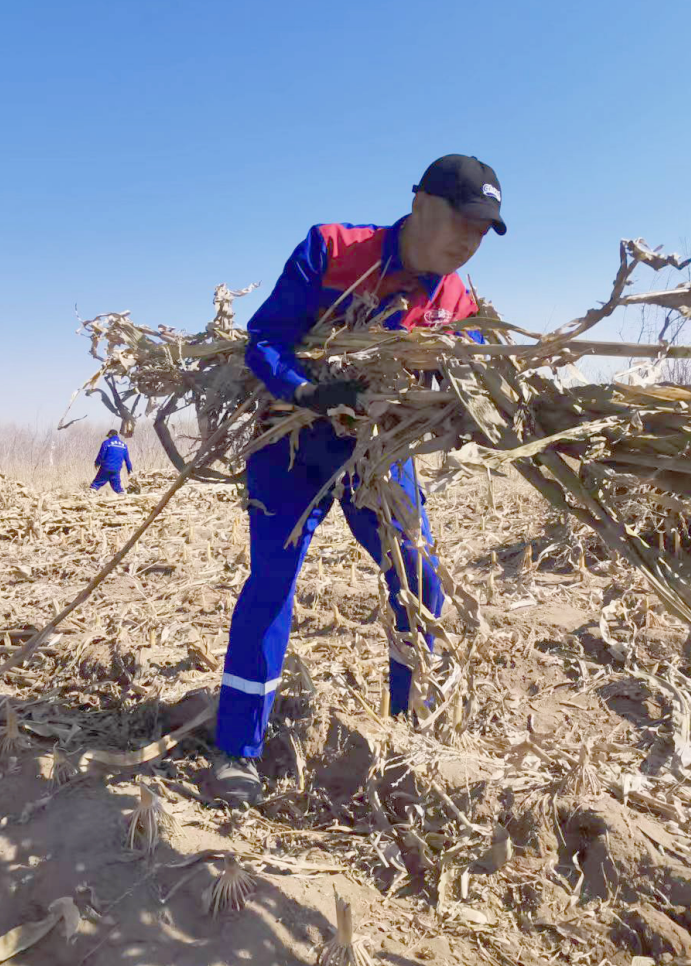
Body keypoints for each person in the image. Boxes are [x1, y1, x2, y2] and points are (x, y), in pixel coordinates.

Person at [213, 155, 507, 804]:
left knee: (418, 583)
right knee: (272, 582)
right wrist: (308, 389)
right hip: (290, 447)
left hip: (377, 458)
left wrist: (479, 401)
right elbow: (264, 339)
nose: (470, 242)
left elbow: (474, 381)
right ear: (422, 205)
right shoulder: (333, 248)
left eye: (483, 232)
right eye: (463, 223)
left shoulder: (456, 301)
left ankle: (408, 737)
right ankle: (237, 752)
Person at [90, 429, 132, 494]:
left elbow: (101, 455)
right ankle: (124, 498)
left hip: (105, 468)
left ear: (110, 435)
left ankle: (89, 496)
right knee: (117, 488)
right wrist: (130, 470)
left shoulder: (107, 443)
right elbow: (127, 460)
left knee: (95, 485)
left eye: (108, 436)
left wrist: (97, 463)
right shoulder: (124, 446)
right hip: (116, 470)